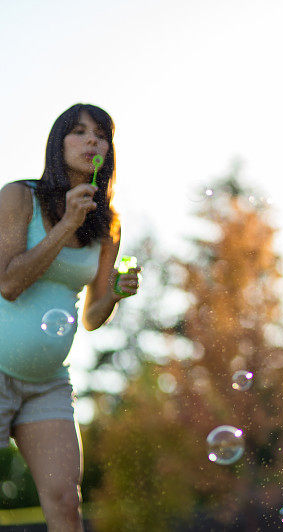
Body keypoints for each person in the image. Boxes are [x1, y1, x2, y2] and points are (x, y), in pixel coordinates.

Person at [0, 104, 140, 531]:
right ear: (58, 143)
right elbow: (7, 283)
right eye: (78, 132)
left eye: (101, 134)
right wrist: (65, 224)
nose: (91, 141)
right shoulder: (18, 195)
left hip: (48, 383)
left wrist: (115, 294)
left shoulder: (108, 225)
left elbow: (92, 317)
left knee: (65, 501)